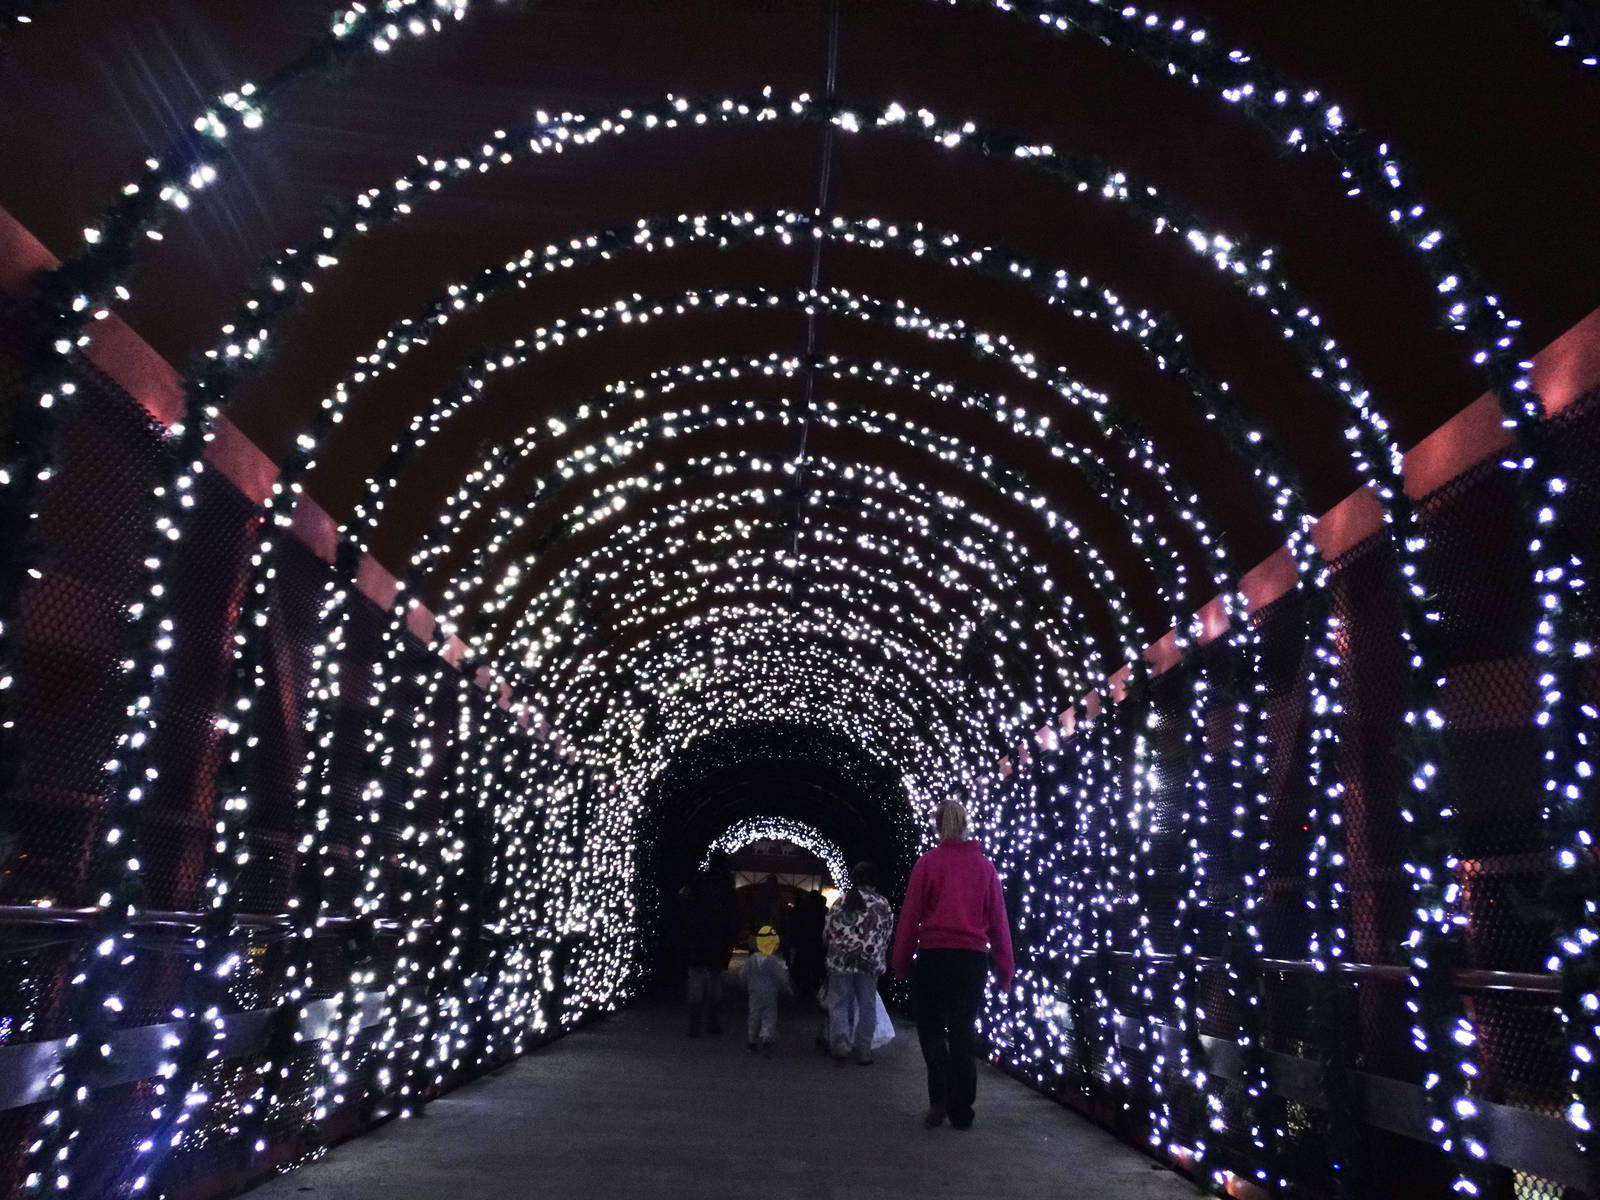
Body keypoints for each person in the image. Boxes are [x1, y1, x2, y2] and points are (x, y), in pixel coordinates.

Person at [891, 798, 1014, 1131]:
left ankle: (939, 1095)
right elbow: (999, 922)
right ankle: (962, 1109)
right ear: (965, 824)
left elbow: (910, 917)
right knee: (963, 1030)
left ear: (938, 825)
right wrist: (1005, 971)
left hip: (933, 956)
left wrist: (900, 961)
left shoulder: (927, 863)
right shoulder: (985, 867)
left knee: (931, 1029)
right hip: (972, 959)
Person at [823, 862, 895, 1065]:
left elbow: (827, 932)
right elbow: (887, 934)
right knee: (867, 1004)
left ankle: (840, 1044)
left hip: (840, 961)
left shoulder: (841, 901)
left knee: (839, 1001)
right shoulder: (882, 904)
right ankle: (864, 1049)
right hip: (869, 963)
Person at [680, 850, 738, 1038]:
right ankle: (713, 1021)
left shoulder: (698, 881)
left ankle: (694, 1025)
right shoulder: (727, 885)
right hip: (718, 938)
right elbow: (732, 914)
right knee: (715, 978)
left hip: (697, 937)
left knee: (696, 978)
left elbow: (685, 904)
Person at [738, 923, 793, 1055]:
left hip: (754, 993)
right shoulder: (773, 961)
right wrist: (787, 989)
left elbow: (742, 975)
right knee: (769, 1015)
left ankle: (752, 1041)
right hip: (770, 994)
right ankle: (766, 1037)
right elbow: (781, 978)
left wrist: (746, 984)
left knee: (754, 1015)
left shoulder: (752, 960)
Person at [787, 889, 828, 1004]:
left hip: (803, 942)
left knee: (801, 966)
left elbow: (794, 925)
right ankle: (814, 988)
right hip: (818, 944)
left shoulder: (801, 910)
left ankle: (802, 989)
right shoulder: (824, 911)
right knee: (816, 968)